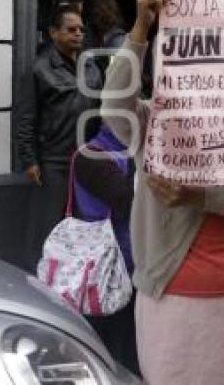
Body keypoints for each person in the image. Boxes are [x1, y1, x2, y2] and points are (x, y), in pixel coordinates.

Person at [101, 0, 224, 384]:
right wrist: (141, 29)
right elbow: (112, 106)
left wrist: (200, 195)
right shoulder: (150, 122)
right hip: (170, 294)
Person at [16, 6, 102, 266]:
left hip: (87, 158)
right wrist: (29, 160)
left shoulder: (92, 68)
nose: (78, 34)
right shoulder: (39, 69)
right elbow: (25, 117)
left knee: (84, 223)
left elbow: (101, 109)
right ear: (53, 33)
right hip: (54, 161)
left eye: (81, 30)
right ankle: (39, 279)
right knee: (49, 226)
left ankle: (77, 281)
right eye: (71, 29)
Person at [71, 125, 139, 376]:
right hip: (106, 271)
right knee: (109, 350)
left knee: (130, 346)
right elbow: (129, 202)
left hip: (131, 267)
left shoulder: (132, 152)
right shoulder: (93, 156)